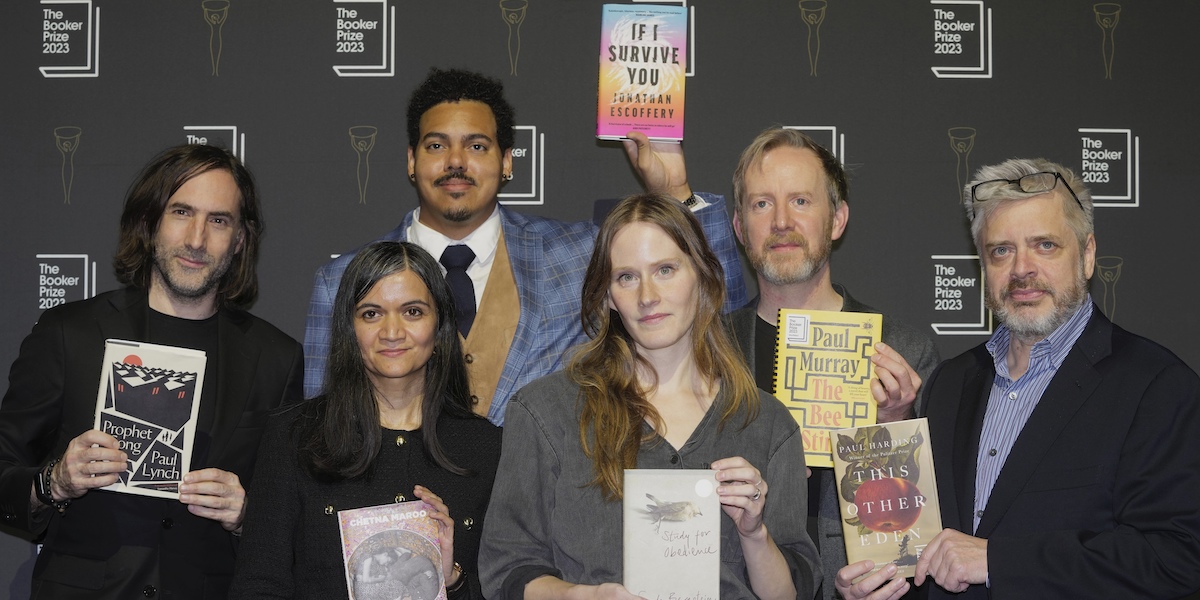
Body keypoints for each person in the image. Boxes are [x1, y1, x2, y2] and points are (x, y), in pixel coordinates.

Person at [837, 159, 1200, 599]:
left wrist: (997, 561)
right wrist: (880, 586)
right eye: (1001, 251)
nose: (1021, 269)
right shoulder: (950, 384)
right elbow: (929, 561)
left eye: (1045, 245)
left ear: (1087, 256)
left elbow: (1177, 559)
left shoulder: (1156, 387)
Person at [304, 67, 747, 423]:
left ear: (507, 161)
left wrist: (676, 191)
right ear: (411, 160)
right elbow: (323, 425)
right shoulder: (341, 279)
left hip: (548, 522)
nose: (456, 162)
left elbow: (714, 310)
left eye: (477, 145)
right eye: (437, 145)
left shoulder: (578, 252)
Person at [479, 194, 820, 599]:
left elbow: (790, 594)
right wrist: (582, 597)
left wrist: (754, 533)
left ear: (704, 276)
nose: (646, 296)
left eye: (665, 269)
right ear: (607, 295)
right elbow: (507, 572)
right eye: (626, 277)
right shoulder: (544, 412)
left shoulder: (768, 423)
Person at [0, 144, 304, 598]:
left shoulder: (276, 358)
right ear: (150, 221)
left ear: (240, 239)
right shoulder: (70, 334)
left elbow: (294, 515)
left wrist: (248, 515)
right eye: (181, 212)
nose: (197, 240)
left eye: (219, 220)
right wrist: (55, 481)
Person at [725, 127, 940, 598]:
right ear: (740, 228)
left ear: (837, 219)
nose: (781, 221)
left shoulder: (902, 350)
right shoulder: (708, 350)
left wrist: (892, 426)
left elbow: (912, 537)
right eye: (762, 204)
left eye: (801, 201)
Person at [231, 241, 501, 600]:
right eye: (371, 313)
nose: (392, 332)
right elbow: (259, 584)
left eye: (413, 312)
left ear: (440, 329)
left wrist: (452, 577)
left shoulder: (489, 449)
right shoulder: (294, 436)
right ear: (349, 329)